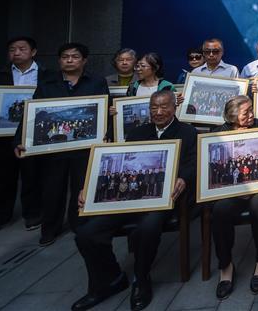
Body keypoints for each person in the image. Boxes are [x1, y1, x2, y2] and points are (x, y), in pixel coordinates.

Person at [71, 90, 196, 311]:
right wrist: (89, 188)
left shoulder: (187, 132)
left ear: (174, 107)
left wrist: (183, 179)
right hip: (125, 197)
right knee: (86, 233)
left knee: (147, 227)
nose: (158, 112)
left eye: (164, 107)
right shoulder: (137, 133)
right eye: (153, 108)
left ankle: (141, 278)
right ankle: (109, 280)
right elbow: (117, 164)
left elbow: (193, 163)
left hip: (163, 198)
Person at [14, 43, 110, 247]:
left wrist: (107, 135)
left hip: (84, 147)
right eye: (65, 56)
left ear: (84, 61)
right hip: (53, 147)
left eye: (75, 57)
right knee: (52, 189)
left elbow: (105, 111)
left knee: (81, 187)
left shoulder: (96, 82)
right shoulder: (47, 82)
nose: (69, 60)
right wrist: (19, 140)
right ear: (59, 60)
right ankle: (49, 228)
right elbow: (31, 113)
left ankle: (79, 225)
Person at [0, 37, 47, 237]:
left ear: (33, 52)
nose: (16, 52)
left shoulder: (47, 75)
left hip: (32, 133)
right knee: (4, 177)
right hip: (3, 134)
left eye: (21, 48)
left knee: (32, 175)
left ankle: (33, 214)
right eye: (12, 49)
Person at [209, 96, 258, 298]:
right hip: (231, 189)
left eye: (251, 110)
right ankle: (226, 266)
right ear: (232, 116)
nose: (252, 115)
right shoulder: (217, 134)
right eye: (246, 113)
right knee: (219, 210)